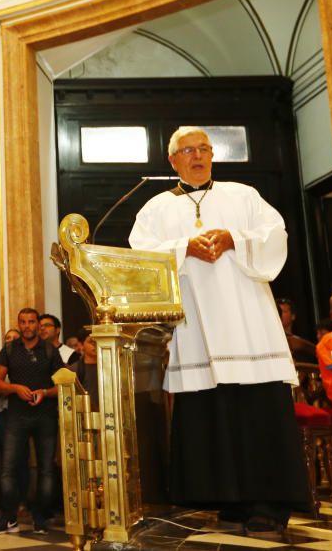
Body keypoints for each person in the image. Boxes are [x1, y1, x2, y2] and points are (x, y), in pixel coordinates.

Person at [129, 125, 305, 533]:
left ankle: (267, 503)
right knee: (212, 413)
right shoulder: (156, 208)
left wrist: (234, 239)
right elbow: (141, 255)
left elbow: (274, 234)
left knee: (258, 412)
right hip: (199, 328)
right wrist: (182, 248)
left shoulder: (242, 196)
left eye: (204, 148)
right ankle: (228, 499)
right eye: (188, 150)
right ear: (172, 161)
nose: (198, 155)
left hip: (249, 325)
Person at [0, 307, 63, 535]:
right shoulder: (10, 349)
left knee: (46, 470)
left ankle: (40, 517)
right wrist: (14, 388)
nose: (27, 326)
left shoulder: (50, 350)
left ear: (38, 325)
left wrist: (44, 392)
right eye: (23, 322)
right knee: (8, 469)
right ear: (19, 324)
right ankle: (8, 516)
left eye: (32, 322)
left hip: (46, 416)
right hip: (17, 416)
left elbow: (63, 384)